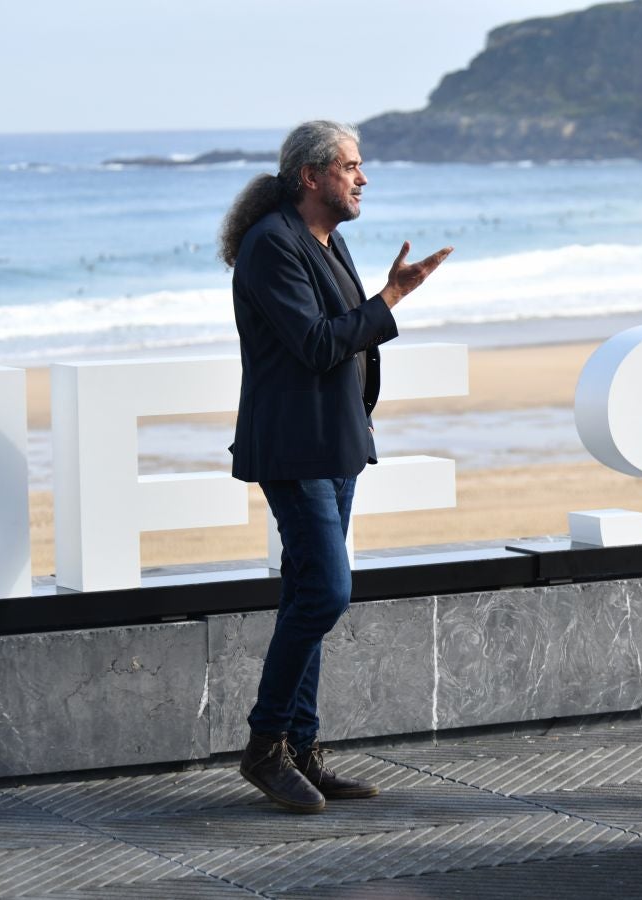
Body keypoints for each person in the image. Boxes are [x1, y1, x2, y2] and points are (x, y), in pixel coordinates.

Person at [218, 120, 452, 813]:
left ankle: (303, 748)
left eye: (361, 165)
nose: (363, 177)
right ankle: (265, 747)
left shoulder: (330, 239)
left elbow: (343, 347)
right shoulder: (270, 248)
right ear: (311, 176)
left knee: (307, 595)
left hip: (338, 443)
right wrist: (390, 301)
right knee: (325, 593)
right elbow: (317, 345)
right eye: (350, 166)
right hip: (293, 448)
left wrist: (381, 301)